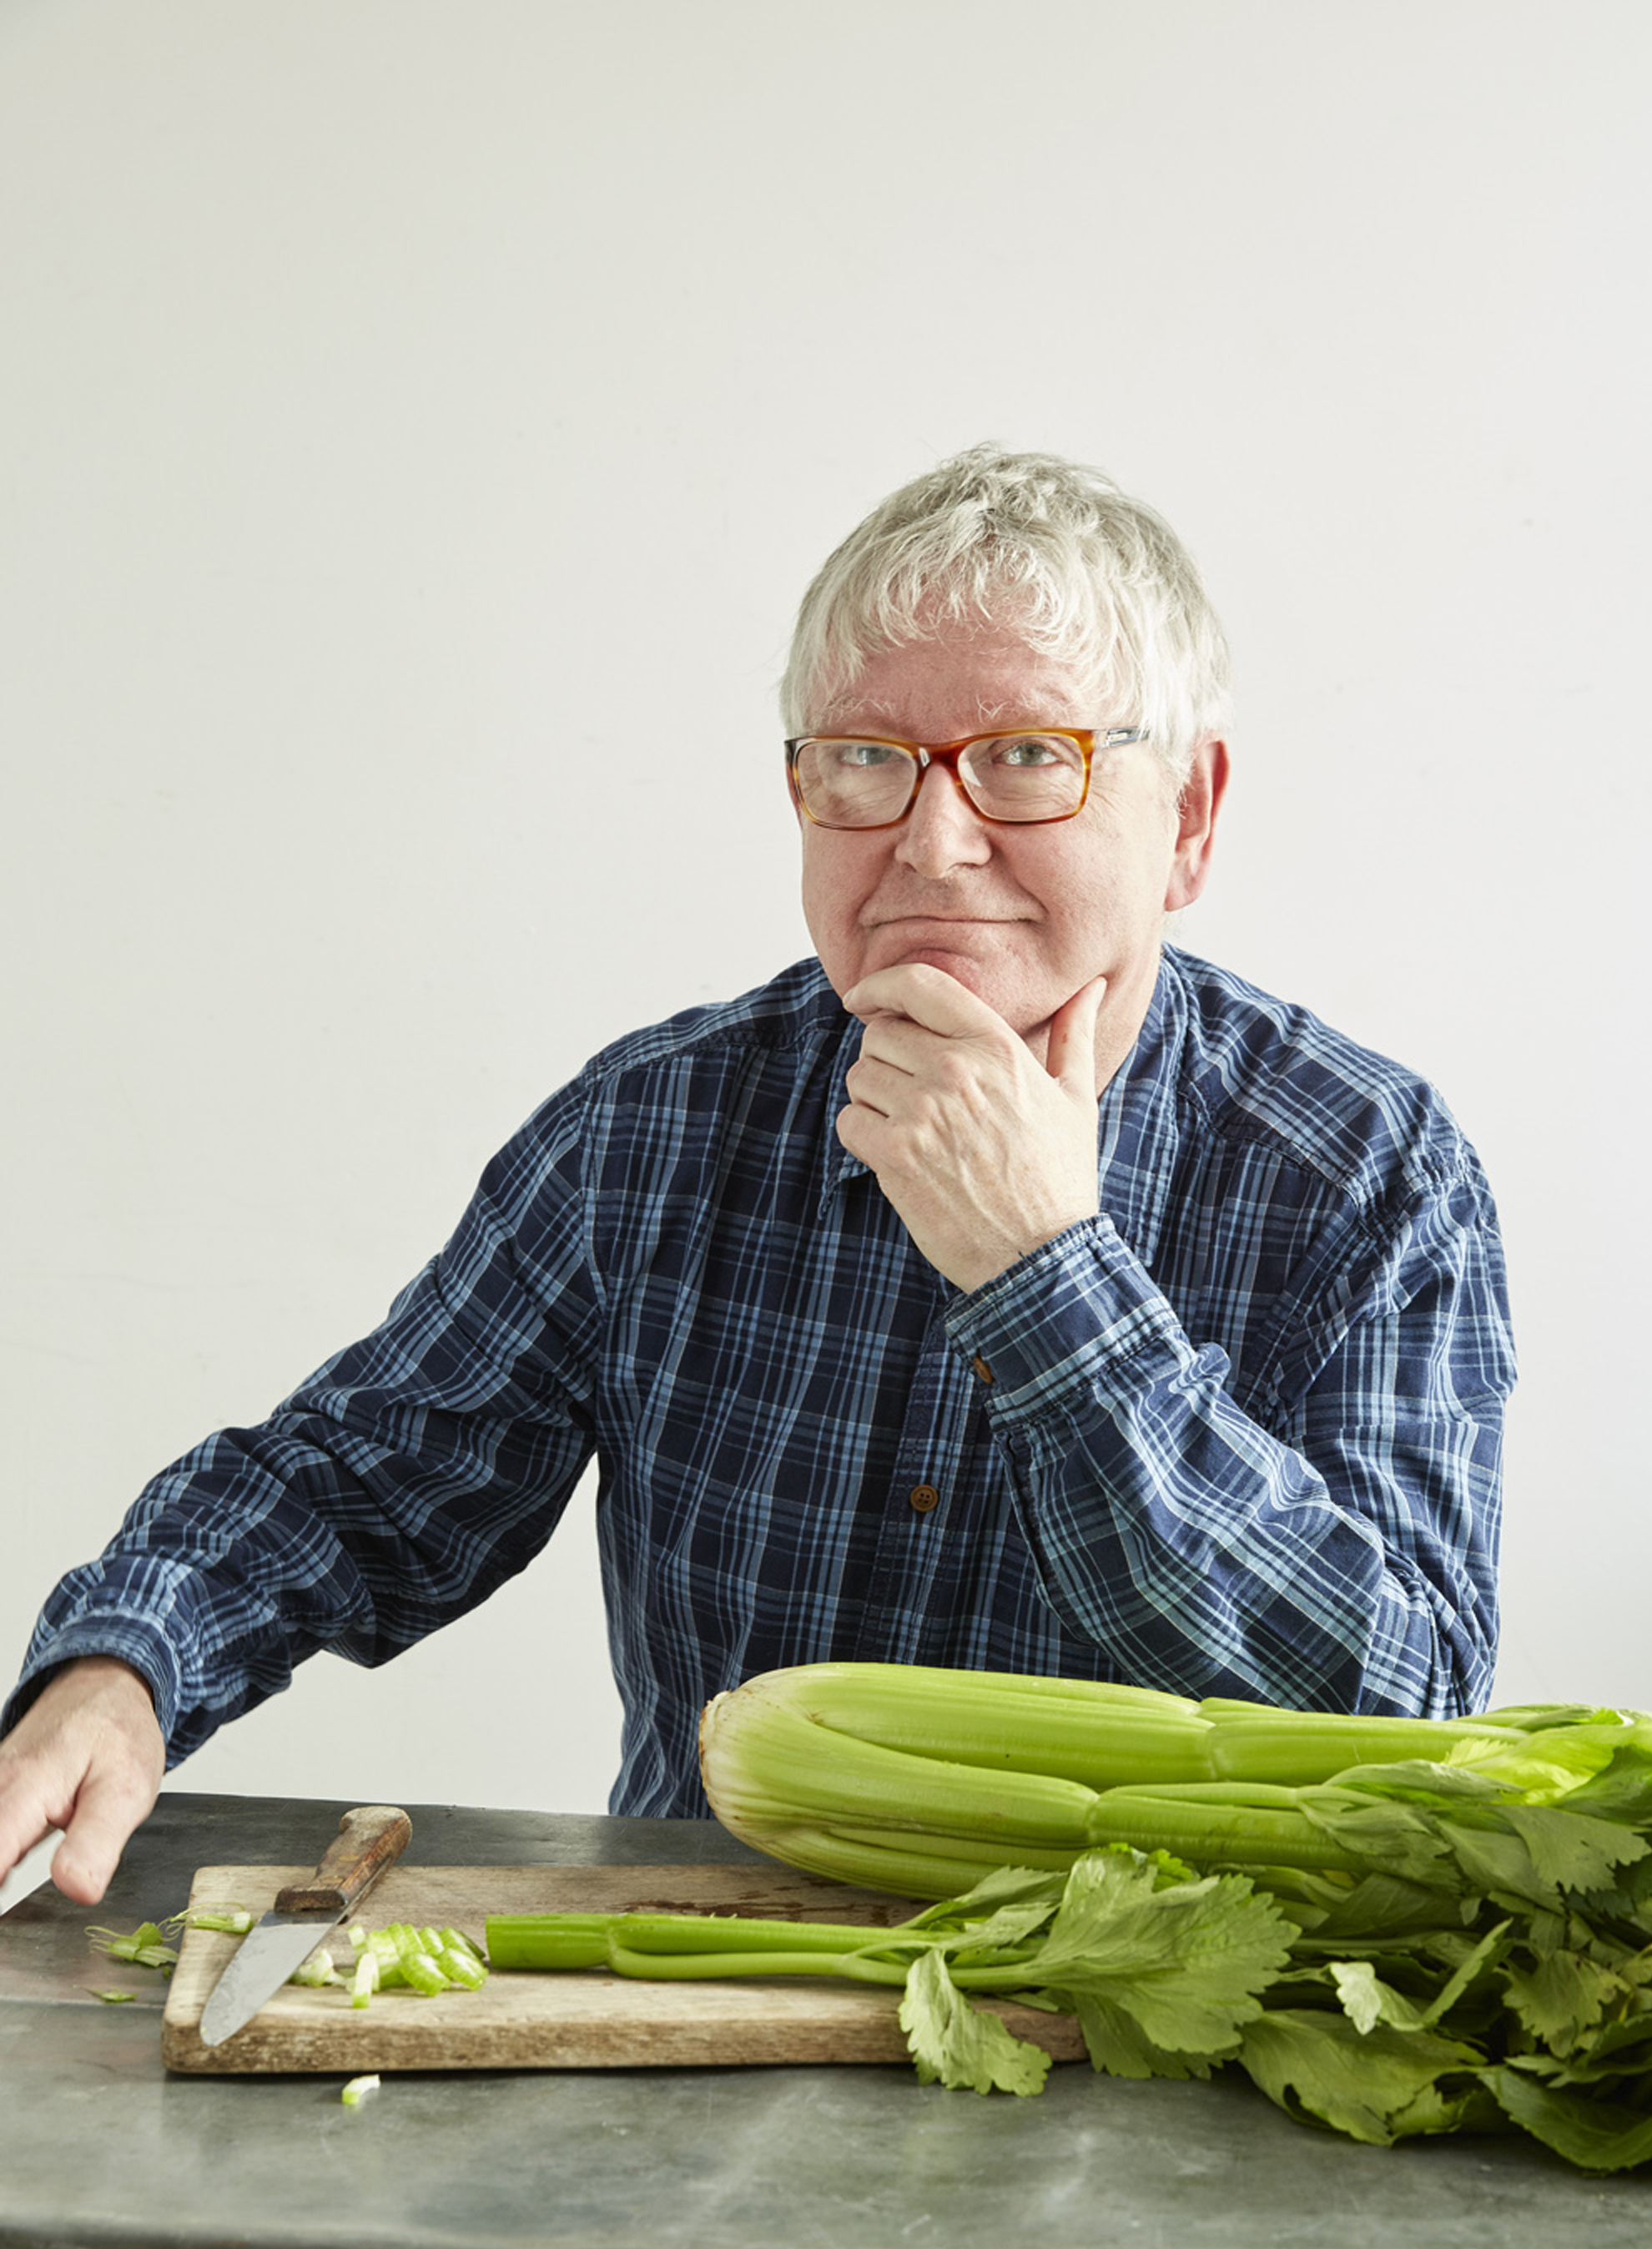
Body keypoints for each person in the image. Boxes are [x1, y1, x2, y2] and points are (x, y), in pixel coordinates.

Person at [0, 446, 1516, 1907]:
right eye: (865, 760)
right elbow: (350, 1492)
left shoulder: (1366, 1174)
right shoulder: (656, 1129)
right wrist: (122, 1671)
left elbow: (1403, 1709)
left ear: (1186, 817)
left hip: (1156, 2053)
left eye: (1025, 760)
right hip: (700, 2015)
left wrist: (1048, 1277)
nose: (933, 841)